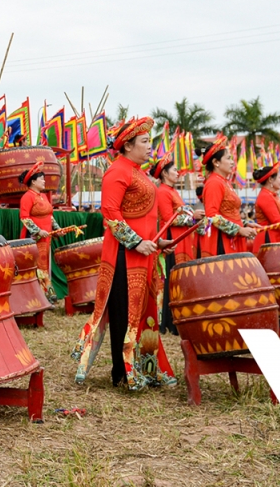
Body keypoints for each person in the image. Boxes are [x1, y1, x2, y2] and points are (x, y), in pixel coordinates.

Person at [71, 116, 176, 390]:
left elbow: (144, 217)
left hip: (143, 253)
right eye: (144, 141)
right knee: (124, 313)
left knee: (144, 312)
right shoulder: (117, 171)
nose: (150, 146)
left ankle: (147, 369)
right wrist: (136, 242)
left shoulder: (139, 172)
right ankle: (124, 372)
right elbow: (111, 213)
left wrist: (156, 241)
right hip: (123, 255)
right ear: (128, 146)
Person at [152, 156, 198, 336]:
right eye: (174, 170)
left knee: (178, 278)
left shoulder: (171, 190)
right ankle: (169, 321)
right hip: (171, 238)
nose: (178, 172)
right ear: (164, 173)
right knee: (171, 279)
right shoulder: (163, 191)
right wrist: (193, 217)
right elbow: (169, 218)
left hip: (181, 237)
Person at [198, 134, 256, 256]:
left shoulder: (224, 182)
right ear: (216, 162)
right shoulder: (214, 182)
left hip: (232, 238)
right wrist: (239, 229)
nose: (232, 162)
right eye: (228, 158)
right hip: (222, 240)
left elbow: (227, 213)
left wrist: (244, 223)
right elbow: (212, 216)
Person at [18, 160, 59, 302]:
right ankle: (44, 295)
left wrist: (57, 229)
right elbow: (24, 218)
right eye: (41, 179)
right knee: (38, 265)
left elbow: (49, 215)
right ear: (33, 182)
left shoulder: (43, 196)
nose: (44, 181)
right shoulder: (27, 197)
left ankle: (46, 294)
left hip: (47, 237)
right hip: (35, 238)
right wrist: (37, 231)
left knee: (45, 264)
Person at [251, 164, 280, 252]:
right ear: (270, 179)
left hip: (276, 236)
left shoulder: (272, 195)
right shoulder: (265, 196)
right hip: (268, 239)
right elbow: (277, 221)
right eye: (279, 178)